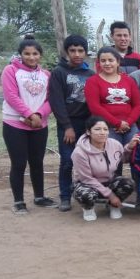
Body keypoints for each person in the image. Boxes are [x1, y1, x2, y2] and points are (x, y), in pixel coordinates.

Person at [1, 35, 57, 214]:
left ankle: (39, 197)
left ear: (40, 55)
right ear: (20, 54)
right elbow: (11, 96)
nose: (31, 57)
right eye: (27, 54)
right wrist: (28, 114)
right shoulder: (10, 71)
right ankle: (18, 201)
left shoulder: (46, 75)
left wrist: (39, 115)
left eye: (35, 53)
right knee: (18, 163)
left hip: (39, 124)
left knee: (37, 162)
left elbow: (50, 99)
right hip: (15, 124)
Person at [49, 34, 96, 212]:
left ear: (85, 52)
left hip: (87, 124)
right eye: (72, 50)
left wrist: (92, 126)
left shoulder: (90, 74)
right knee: (68, 161)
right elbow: (57, 102)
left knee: (88, 161)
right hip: (67, 124)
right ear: (66, 52)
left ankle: (88, 193)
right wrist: (67, 126)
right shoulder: (59, 73)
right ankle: (65, 196)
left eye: (80, 50)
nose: (77, 54)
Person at [71, 116, 135, 221]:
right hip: (87, 184)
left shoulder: (115, 144)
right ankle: (88, 208)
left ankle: (113, 206)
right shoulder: (79, 152)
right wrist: (111, 195)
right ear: (88, 132)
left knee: (128, 183)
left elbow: (123, 159)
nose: (102, 132)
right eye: (97, 129)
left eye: (105, 129)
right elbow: (86, 178)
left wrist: (129, 148)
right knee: (85, 194)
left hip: (109, 180)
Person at [84, 47, 140, 146]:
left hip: (129, 126)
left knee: (135, 154)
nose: (107, 63)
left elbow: (138, 105)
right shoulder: (92, 81)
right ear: (99, 63)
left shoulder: (129, 80)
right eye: (103, 60)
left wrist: (128, 123)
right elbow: (94, 107)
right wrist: (117, 123)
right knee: (112, 157)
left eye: (110, 60)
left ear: (118, 62)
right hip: (106, 127)